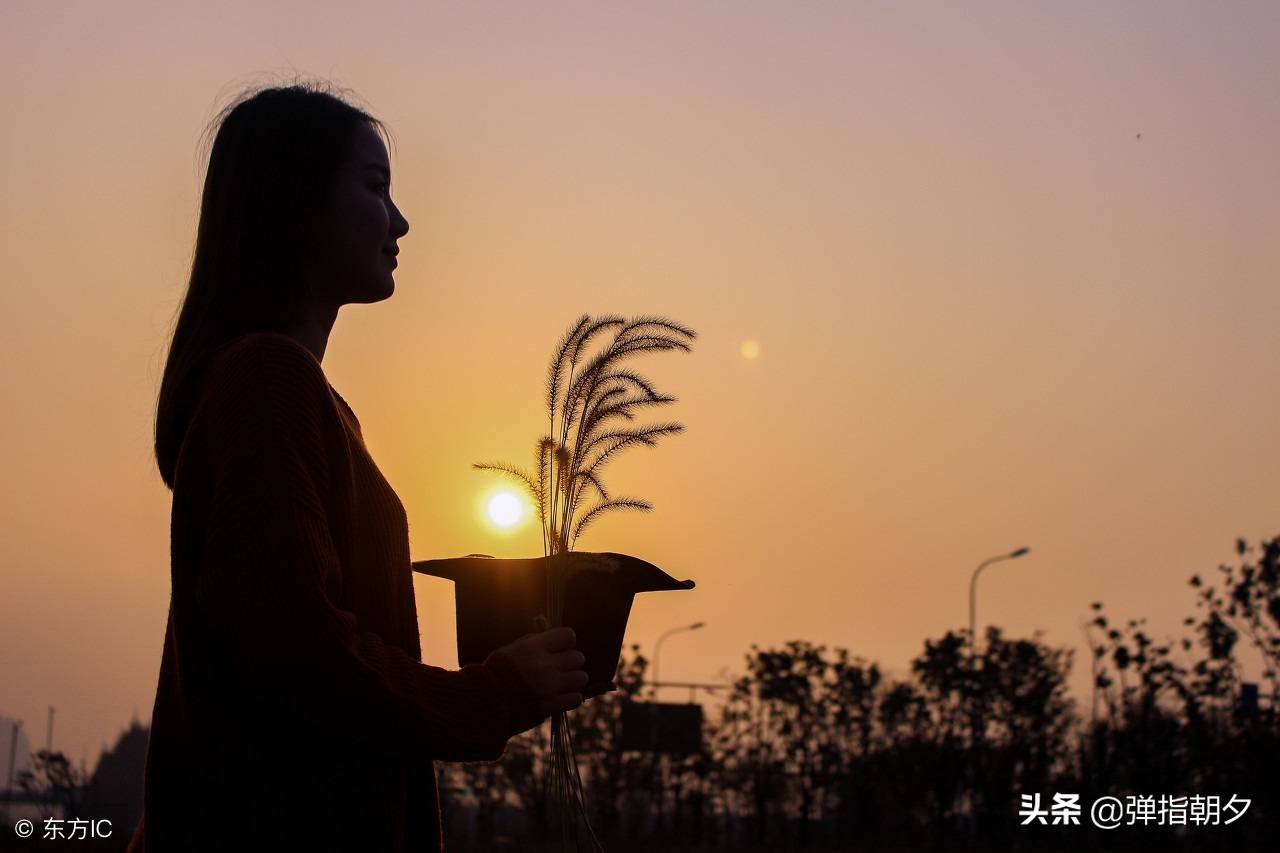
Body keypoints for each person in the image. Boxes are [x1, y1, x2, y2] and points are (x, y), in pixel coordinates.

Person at [131, 82, 588, 851]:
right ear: (294, 201)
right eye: (376, 186)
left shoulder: (305, 397)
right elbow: (297, 650)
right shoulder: (266, 378)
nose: (401, 221)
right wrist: (494, 693)